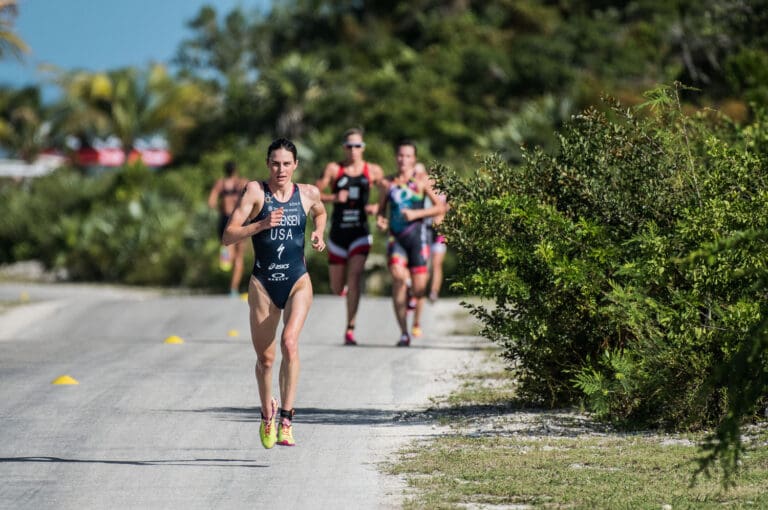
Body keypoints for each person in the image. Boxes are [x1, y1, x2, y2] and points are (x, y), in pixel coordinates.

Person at [222, 138, 327, 449]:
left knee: (290, 343)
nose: (281, 169)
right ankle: (266, 411)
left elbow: (320, 213)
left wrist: (319, 231)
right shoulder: (256, 192)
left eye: (286, 163)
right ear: (268, 164)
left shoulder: (308, 193)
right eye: (275, 163)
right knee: (266, 360)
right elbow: (228, 235)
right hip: (263, 283)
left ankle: (287, 418)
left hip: (297, 280)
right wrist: (262, 224)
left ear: (295, 165)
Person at [315, 128, 383, 346]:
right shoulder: (334, 169)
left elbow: (389, 190)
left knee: (354, 277)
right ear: (344, 147)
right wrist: (334, 197)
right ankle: (342, 291)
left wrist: (378, 209)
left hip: (360, 233)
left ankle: (350, 328)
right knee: (337, 288)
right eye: (350, 146)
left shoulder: (372, 170)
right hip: (337, 235)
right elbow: (313, 194)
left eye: (358, 146)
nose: (354, 150)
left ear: (363, 148)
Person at [376, 140, 445, 347]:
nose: (403, 160)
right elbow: (380, 211)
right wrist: (380, 221)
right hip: (396, 238)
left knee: (419, 288)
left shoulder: (423, 181)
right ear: (396, 158)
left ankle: (412, 293)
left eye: (408, 156)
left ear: (414, 159)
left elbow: (439, 209)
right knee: (397, 277)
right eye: (400, 156)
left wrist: (417, 213)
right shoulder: (388, 184)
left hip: (418, 239)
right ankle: (404, 333)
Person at [411, 163, 449, 339]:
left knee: (437, 263)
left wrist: (446, 226)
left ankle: (433, 291)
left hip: (439, 231)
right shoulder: (417, 186)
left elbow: (447, 207)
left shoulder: (442, 188)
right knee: (425, 264)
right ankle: (421, 289)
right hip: (425, 230)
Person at [208, 160, 249, 296]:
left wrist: (221, 207)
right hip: (241, 218)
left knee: (228, 247)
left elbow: (211, 202)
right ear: (236, 170)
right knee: (239, 256)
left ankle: (226, 255)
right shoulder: (243, 182)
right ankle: (233, 288)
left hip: (226, 219)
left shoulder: (221, 184)